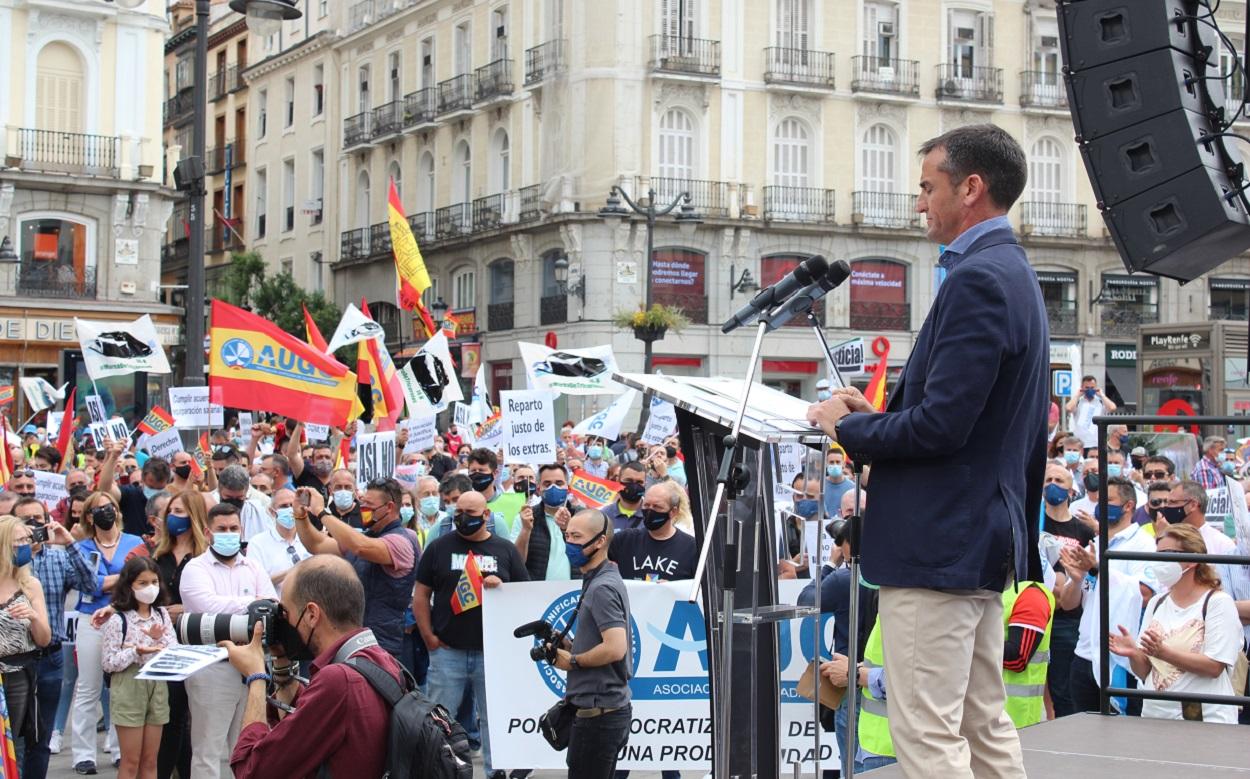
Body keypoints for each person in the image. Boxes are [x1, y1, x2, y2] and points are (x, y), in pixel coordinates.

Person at [807, 124, 1040, 779]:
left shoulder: (980, 279)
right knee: (981, 722)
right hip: (973, 540)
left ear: (971, 188)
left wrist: (846, 429)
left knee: (926, 732)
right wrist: (878, 416)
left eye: (927, 187)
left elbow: (943, 427)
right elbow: (969, 422)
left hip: (941, 545)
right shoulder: (1011, 272)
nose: (918, 203)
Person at [414, 490, 529, 779]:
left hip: (491, 652)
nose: (464, 519)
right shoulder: (438, 547)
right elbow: (421, 594)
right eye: (458, 514)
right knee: (440, 720)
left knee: (494, 720)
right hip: (447, 652)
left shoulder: (505, 550)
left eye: (471, 514)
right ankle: (440, 772)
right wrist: (428, 636)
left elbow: (524, 595)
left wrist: (501, 585)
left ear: (486, 516)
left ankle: (495, 772)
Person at [179, 502, 278, 779]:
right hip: (211, 667)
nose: (228, 533)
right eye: (222, 529)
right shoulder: (195, 568)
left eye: (233, 528)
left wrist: (252, 606)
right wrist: (252, 603)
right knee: (207, 749)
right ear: (208, 532)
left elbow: (271, 606)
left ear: (241, 529)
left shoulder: (253, 566)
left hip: (251, 667)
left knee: (248, 746)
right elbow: (205, 606)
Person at [1109, 524, 1244, 723]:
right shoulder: (1157, 603)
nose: (1159, 559)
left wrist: (1163, 652)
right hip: (1155, 716)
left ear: (1193, 559)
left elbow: (1214, 667)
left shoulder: (1217, 603)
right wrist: (1134, 653)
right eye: (1158, 553)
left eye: (1168, 552)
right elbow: (1146, 671)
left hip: (1203, 719)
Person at [1056, 477, 1156, 714]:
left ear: (1129, 506)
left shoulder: (1143, 544)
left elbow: (1144, 593)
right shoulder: (1095, 544)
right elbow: (1069, 603)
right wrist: (1078, 578)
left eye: (1109, 500)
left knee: (1122, 731)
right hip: (1085, 654)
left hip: (1119, 657)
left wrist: (1098, 569)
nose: (1102, 506)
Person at [295, 478, 419, 667]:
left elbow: (360, 547)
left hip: (383, 646)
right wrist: (301, 516)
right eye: (362, 503)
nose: (363, 509)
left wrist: (322, 512)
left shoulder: (402, 541)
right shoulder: (368, 536)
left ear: (389, 507)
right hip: (355, 640)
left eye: (369, 505)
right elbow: (317, 544)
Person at [14, 498, 94, 779]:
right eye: (26, 520)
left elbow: (91, 585)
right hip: (12, 662)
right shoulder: (7, 564)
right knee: (15, 739)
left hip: (49, 659)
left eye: (38, 518)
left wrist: (69, 541)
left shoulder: (59, 557)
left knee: (41, 738)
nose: (33, 526)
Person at [552, 510, 633, 779]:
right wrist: (568, 643)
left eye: (577, 537)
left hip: (599, 716)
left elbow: (615, 647)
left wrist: (572, 661)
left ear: (599, 541)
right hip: (600, 711)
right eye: (567, 536)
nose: (570, 544)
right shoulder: (598, 579)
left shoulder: (602, 587)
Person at [72, 492, 147, 775]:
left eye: (109, 507)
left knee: (122, 686)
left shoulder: (136, 542)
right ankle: (83, 754)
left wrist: (109, 581)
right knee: (88, 687)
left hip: (125, 618)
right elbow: (89, 585)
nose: (105, 512)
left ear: (117, 511)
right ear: (88, 516)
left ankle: (120, 750)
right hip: (90, 620)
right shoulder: (81, 548)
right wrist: (124, 577)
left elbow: (142, 579)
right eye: (97, 509)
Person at [101, 557, 175, 779]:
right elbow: (108, 661)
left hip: (157, 684)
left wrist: (157, 644)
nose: (149, 588)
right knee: (131, 761)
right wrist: (135, 652)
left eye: (154, 582)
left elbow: (172, 647)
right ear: (129, 585)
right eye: (142, 583)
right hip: (130, 684)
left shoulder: (161, 615)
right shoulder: (119, 620)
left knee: (151, 760)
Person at [151, 491, 208, 779]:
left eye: (181, 511)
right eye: (171, 511)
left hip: (196, 642)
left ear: (195, 516)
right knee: (170, 716)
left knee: (193, 719)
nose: (174, 516)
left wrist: (185, 609)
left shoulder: (206, 556)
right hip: (163, 644)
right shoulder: (158, 555)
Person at [1038, 464, 1094, 719]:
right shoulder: (1032, 520)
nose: (1052, 484)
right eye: (1047, 479)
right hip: (1036, 613)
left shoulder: (1082, 529)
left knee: (1064, 690)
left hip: (1067, 621)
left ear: (1071, 490)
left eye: (1059, 480)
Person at [0, 516, 53, 773]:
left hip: (19, 675)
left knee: (16, 749)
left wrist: (33, 617)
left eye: (26, 539)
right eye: (18, 540)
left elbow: (44, 639)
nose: (25, 545)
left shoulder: (30, 585)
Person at [609, 483, 697, 582]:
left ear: (673, 512)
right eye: (646, 505)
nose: (650, 511)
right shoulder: (625, 540)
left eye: (657, 507)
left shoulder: (691, 548)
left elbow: (701, 589)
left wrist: (673, 588)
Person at [244, 488, 311, 595]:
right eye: (284, 506)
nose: (290, 509)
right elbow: (255, 582)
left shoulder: (310, 539)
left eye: (292, 505)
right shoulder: (257, 543)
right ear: (272, 512)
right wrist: (292, 571)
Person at [516, 464, 575, 581]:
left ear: (568, 488)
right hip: (538, 594)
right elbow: (517, 563)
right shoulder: (524, 518)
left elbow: (590, 557)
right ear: (538, 489)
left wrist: (568, 529)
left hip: (573, 593)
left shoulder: (582, 517)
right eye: (547, 484)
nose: (553, 488)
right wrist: (526, 530)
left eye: (559, 483)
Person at [99, 444, 170, 539]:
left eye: (159, 487)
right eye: (151, 484)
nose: (154, 490)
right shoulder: (131, 494)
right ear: (143, 478)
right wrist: (113, 457)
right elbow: (105, 489)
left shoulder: (172, 502)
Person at [1161, 480, 1238, 556]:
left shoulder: (1222, 544)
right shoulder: (1164, 538)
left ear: (1193, 505)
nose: (1166, 506)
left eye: (1173, 502)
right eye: (1167, 502)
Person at [213, 466, 272, 542]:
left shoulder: (258, 512)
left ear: (247, 491)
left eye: (239, 497)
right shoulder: (209, 505)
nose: (233, 501)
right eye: (228, 497)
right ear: (220, 490)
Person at [1066, 376, 1117, 452]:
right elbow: (1068, 408)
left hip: (1097, 444)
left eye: (1092, 387)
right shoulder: (1078, 401)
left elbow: (1112, 408)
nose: (1090, 390)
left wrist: (1102, 395)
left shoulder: (1100, 402)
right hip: (1080, 445)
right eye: (1087, 387)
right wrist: (1077, 395)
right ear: (1082, 387)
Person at [602, 462, 647, 532]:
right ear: (618, 481)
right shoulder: (604, 515)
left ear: (645, 484)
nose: (634, 486)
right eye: (629, 480)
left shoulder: (651, 515)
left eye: (639, 482)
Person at [822, 447, 853, 519]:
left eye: (838, 462)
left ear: (844, 464)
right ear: (826, 464)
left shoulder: (852, 488)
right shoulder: (819, 486)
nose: (835, 465)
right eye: (831, 462)